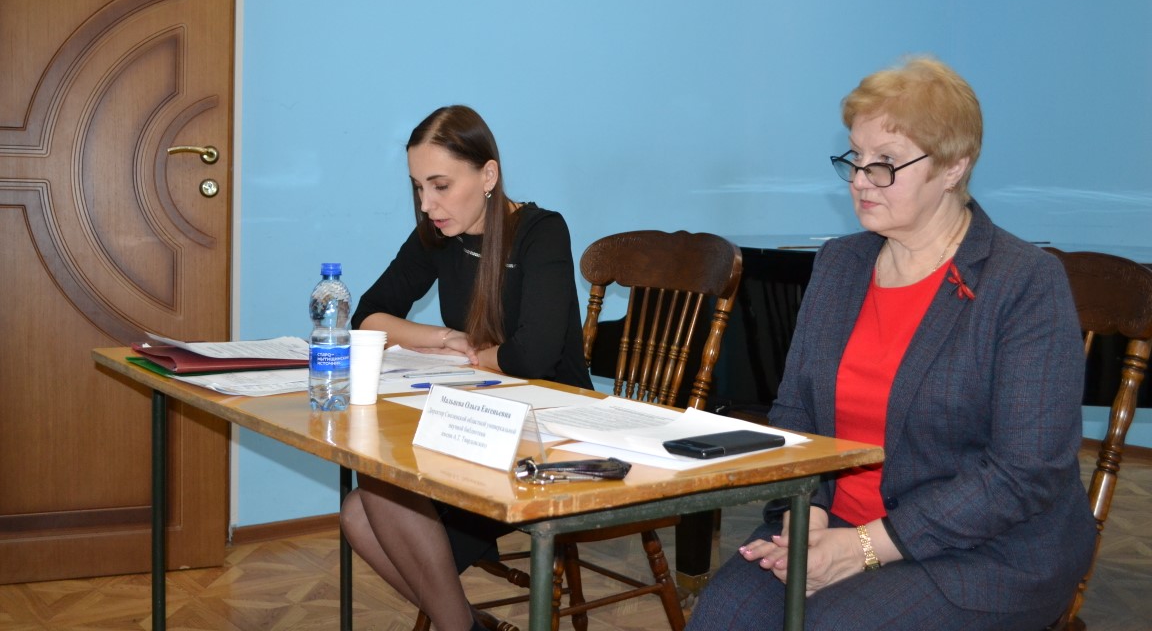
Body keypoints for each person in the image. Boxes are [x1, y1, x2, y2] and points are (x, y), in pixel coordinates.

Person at [687, 57, 1095, 631]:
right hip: (834, 524)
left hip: (984, 550)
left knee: (832, 624)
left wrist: (864, 547)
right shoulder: (841, 263)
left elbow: (1023, 473)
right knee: (723, 614)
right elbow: (796, 412)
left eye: (884, 163)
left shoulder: (1023, 282)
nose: (860, 179)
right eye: (855, 158)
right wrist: (808, 515)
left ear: (953, 167)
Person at [340, 105, 592, 631]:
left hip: (556, 433)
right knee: (358, 510)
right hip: (482, 420)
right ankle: (467, 626)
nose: (427, 204)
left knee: (377, 499)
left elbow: (534, 355)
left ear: (488, 175)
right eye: (418, 188)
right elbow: (368, 316)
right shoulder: (438, 234)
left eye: (440, 186)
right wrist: (445, 338)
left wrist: (478, 355)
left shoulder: (541, 232)